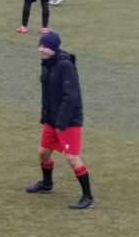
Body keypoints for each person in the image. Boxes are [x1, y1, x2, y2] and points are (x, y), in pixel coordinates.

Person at [24, 31, 94, 210]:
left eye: (45, 47)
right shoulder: (46, 64)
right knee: (43, 152)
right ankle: (47, 184)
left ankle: (88, 197)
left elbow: (71, 97)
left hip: (68, 121)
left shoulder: (65, 66)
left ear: (54, 48)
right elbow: (48, 94)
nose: (41, 49)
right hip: (52, 119)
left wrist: (61, 123)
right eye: (40, 46)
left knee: (72, 158)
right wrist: (46, 117)